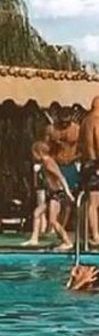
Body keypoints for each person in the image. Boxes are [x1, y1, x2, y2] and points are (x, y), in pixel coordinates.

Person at [22, 141, 74, 250]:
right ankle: (34, 239)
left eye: (34, 153)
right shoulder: (44, 163)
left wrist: (68, 193)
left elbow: (61, 177)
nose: (33, 156)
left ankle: (67, 241)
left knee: (52, 220)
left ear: (39, 153)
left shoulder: (48, 163)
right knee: (37, 213)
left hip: (57, 194)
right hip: (51, 194)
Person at [79, 96, 99, 247]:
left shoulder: (84, 121)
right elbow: (97, 139)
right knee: (94, 203)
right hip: (96, 162)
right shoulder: (97, 120)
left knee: (89, 201)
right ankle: (96, 235)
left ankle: (88, 234)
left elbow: (81, 144)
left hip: (86, 163)